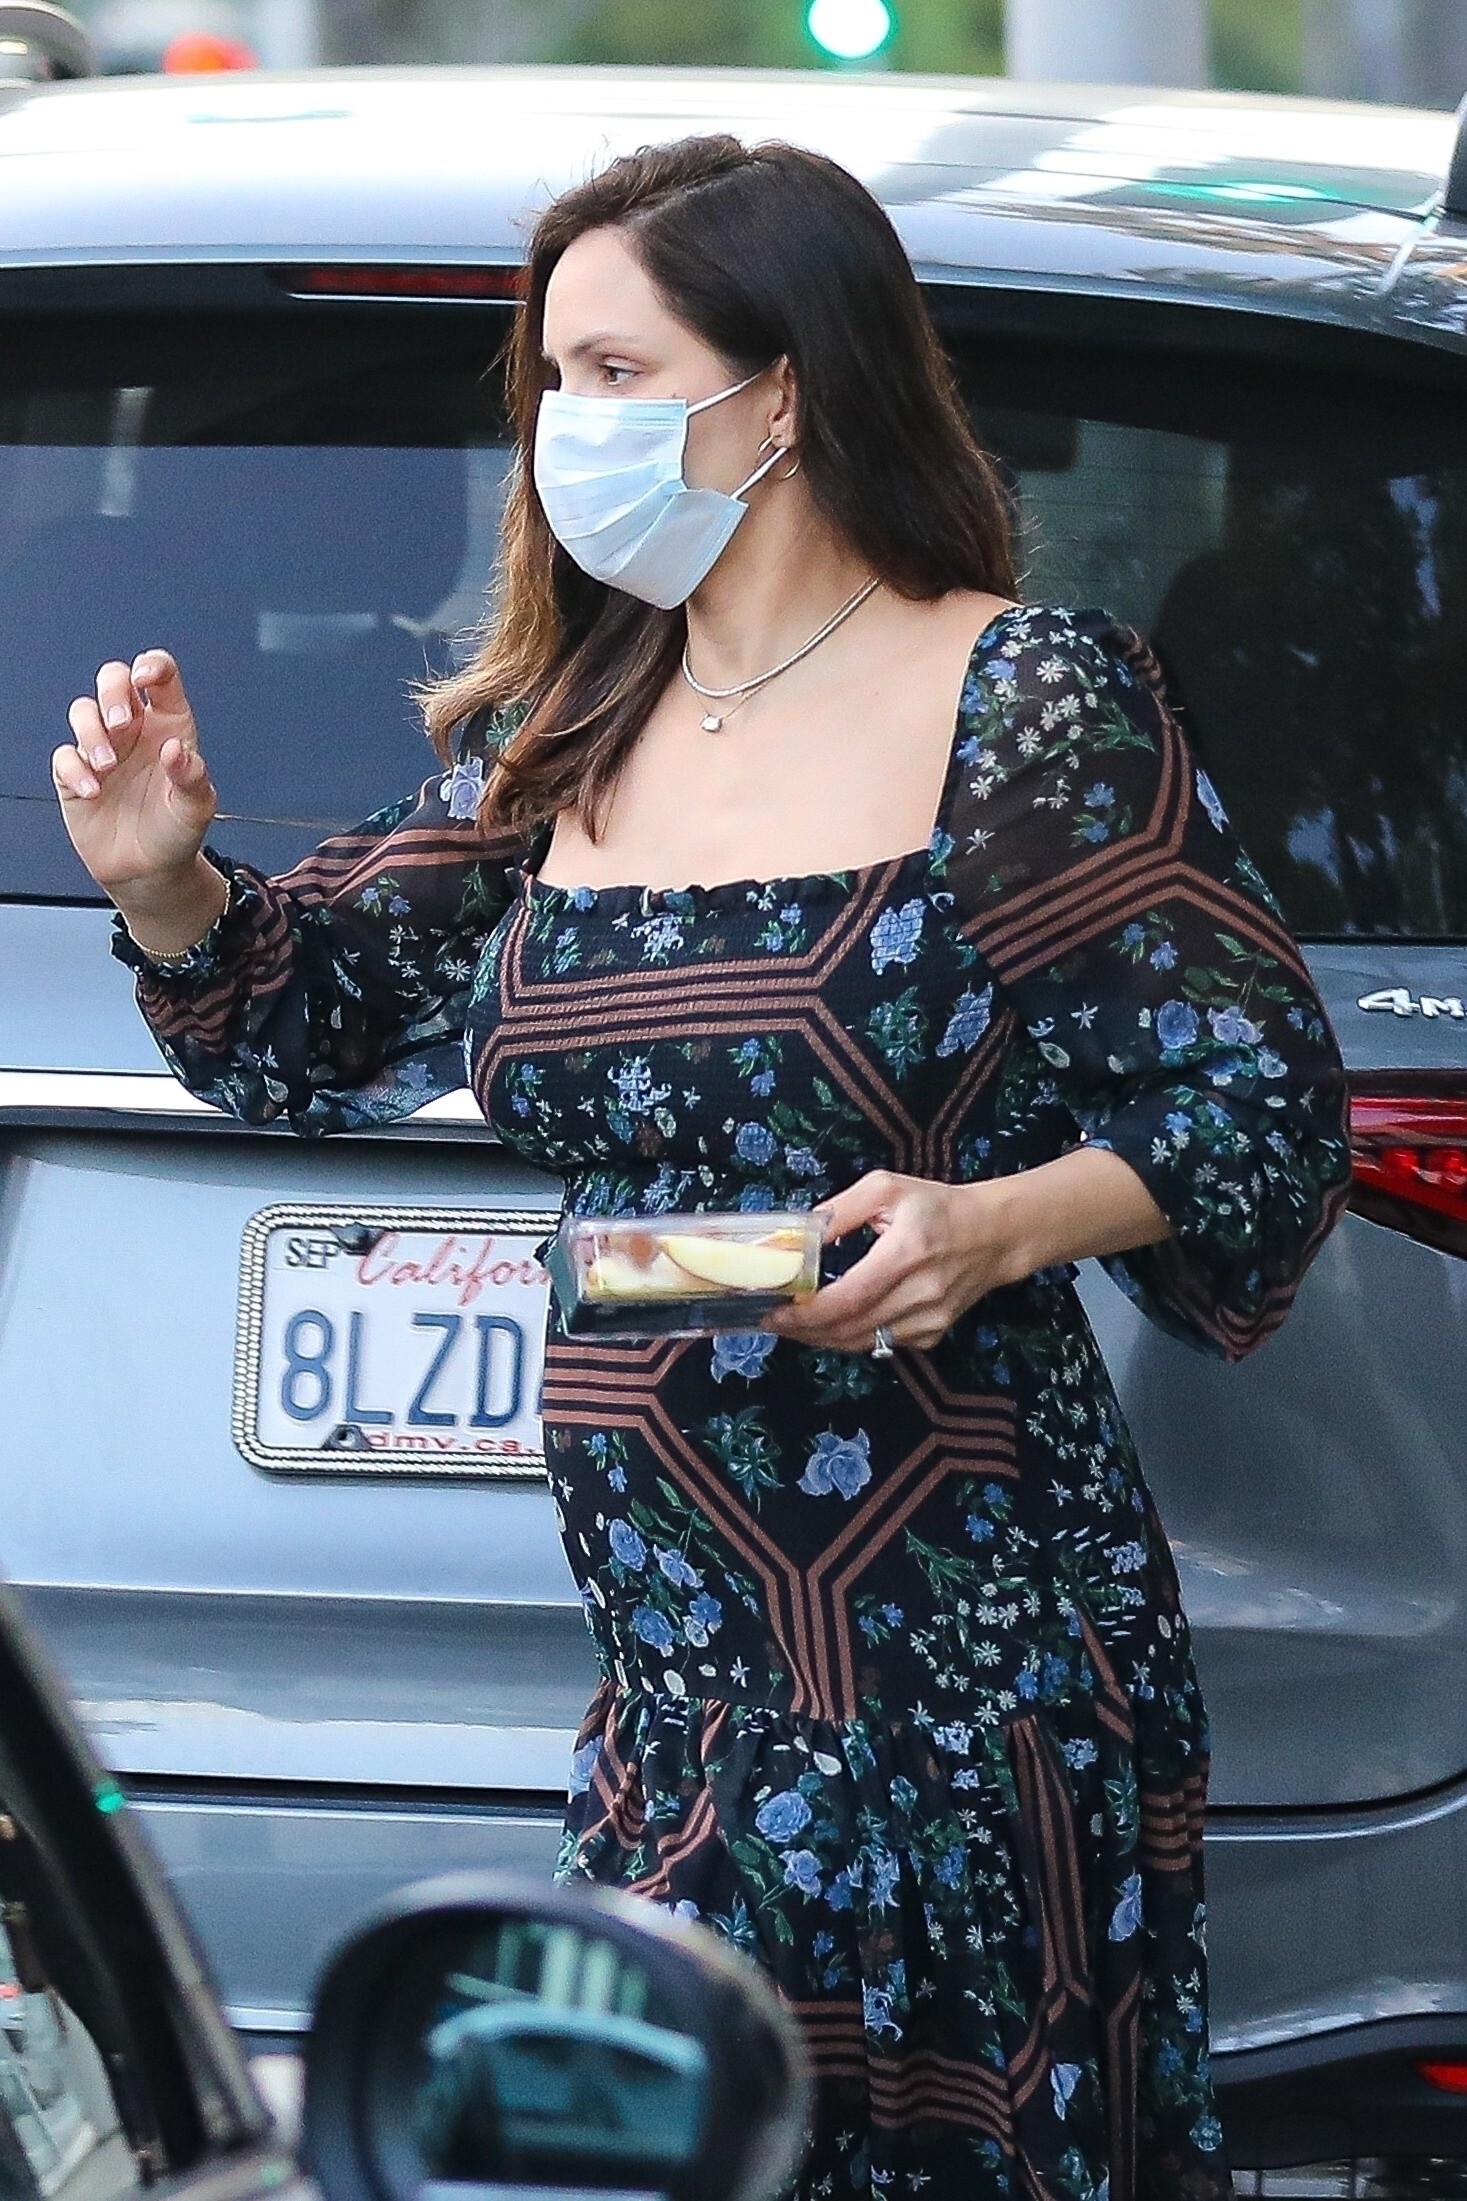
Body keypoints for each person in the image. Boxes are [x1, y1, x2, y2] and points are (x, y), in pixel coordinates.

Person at [54, 135, 1350, 2201]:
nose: (565, 430)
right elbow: (304, 1027)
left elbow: (1256, 1107)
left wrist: (991, 1223)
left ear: (783, 394)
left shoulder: (1021, 698)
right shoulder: (565, 727)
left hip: (954, 1670)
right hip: (679, 1684)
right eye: (551, 383)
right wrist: (167, 884)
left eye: (615, 373)